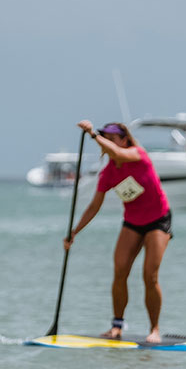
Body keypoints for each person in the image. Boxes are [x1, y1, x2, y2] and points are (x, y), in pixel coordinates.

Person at [64, 120, 172, 343]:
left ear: (124, 140)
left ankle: (154, 329)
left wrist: (93, 134)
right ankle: (117, 326)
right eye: (104, 138)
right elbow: (94, 206)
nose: (106, 143)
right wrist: (75, 232)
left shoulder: (137, 154)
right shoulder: (108, 174)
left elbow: (117, 153)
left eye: (111, 138)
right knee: (120, 271)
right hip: (132, 222)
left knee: (149, 275)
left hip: (158, 220)